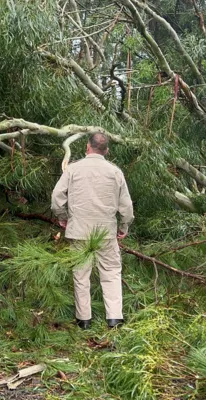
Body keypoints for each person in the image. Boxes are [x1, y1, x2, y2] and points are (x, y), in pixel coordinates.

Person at [51, 133, 134, 329]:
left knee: (81, 275)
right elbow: (127, 207)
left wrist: (63, 218)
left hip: (78, 230)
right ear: (106, 150)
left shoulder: (73, 169)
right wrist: (123, 227)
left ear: (88, 147)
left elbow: (57, 197)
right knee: (111, 273)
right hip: (106, 232)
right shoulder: (115, 172)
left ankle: (84, 320)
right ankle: (114, 319)